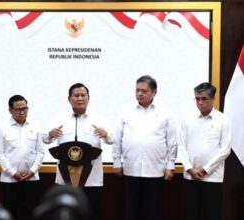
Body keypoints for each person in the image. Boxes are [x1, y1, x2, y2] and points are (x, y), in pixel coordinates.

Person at [42, 83, 114, 220]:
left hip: (91, 177)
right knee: (67, 214)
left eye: (83, 95)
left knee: (92, 212)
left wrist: (105, 134)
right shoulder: (60, 118)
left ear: (88, 98)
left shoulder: (98, 118)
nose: (80, 98)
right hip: (66, 177)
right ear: (69, 99)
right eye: (76, 95)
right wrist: (51, 133)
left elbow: (112, 140)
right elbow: (45, 139)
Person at [112, 75, 177, 220]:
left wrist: (170, 166)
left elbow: (171, 141)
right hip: (131, 169)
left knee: (154, 210)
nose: (139, 94)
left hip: (155, 170)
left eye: (144, 91)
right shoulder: (125, 111)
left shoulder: (165, 113)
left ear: (154, 92)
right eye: (137, 90)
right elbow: (117, 138)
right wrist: (116, 162)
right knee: (132, 210)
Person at [178, 82, 232, 220]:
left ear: (213, 99)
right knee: (191, 214)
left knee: (213, 214)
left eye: (204, 99)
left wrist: (205, 169)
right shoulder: (187, 120)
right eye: (197, 99)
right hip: (191, 177)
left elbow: (225, 150)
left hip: (212, 178)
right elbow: (181, 146)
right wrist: (190, 168)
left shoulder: (223, 120)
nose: (200, 102)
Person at [0, 95, 44, 220]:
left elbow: (41, 151)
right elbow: (0, 153)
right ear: (10, 110)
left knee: (31, 212)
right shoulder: (2, 128)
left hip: (31, 178)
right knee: (11, 213)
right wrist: (12, 172)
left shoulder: (35, 127)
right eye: (18, 109)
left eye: (25, 108)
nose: (22, 112)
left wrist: (32, 171)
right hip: (10, 179)